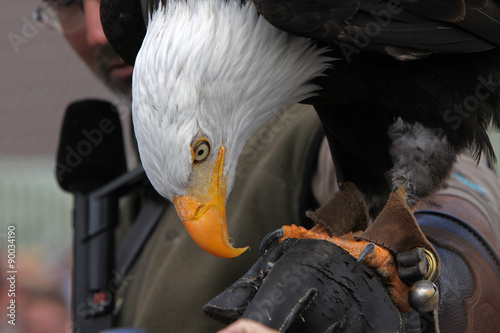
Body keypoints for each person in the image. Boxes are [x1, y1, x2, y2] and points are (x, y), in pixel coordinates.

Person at [35, 0, 500, 332]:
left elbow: (468, 196)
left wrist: (438, 281)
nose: (97, 27)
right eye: (67, 4)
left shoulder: (295, 132)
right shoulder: (135, 22)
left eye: (201, 154)